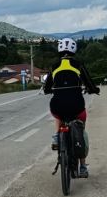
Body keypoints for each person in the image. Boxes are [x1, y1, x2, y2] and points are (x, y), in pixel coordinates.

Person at [42, 37, 99, 177]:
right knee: (81, 131)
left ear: (59, 49)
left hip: (58, 106)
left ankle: (57, 136)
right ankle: (83, 167)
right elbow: (89, 82)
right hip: (76, 106)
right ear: (74, 49)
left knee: (57, 114)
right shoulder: (78, 65)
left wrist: (49, 90)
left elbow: (47, 87)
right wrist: (94, 89)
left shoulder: (54, 66)